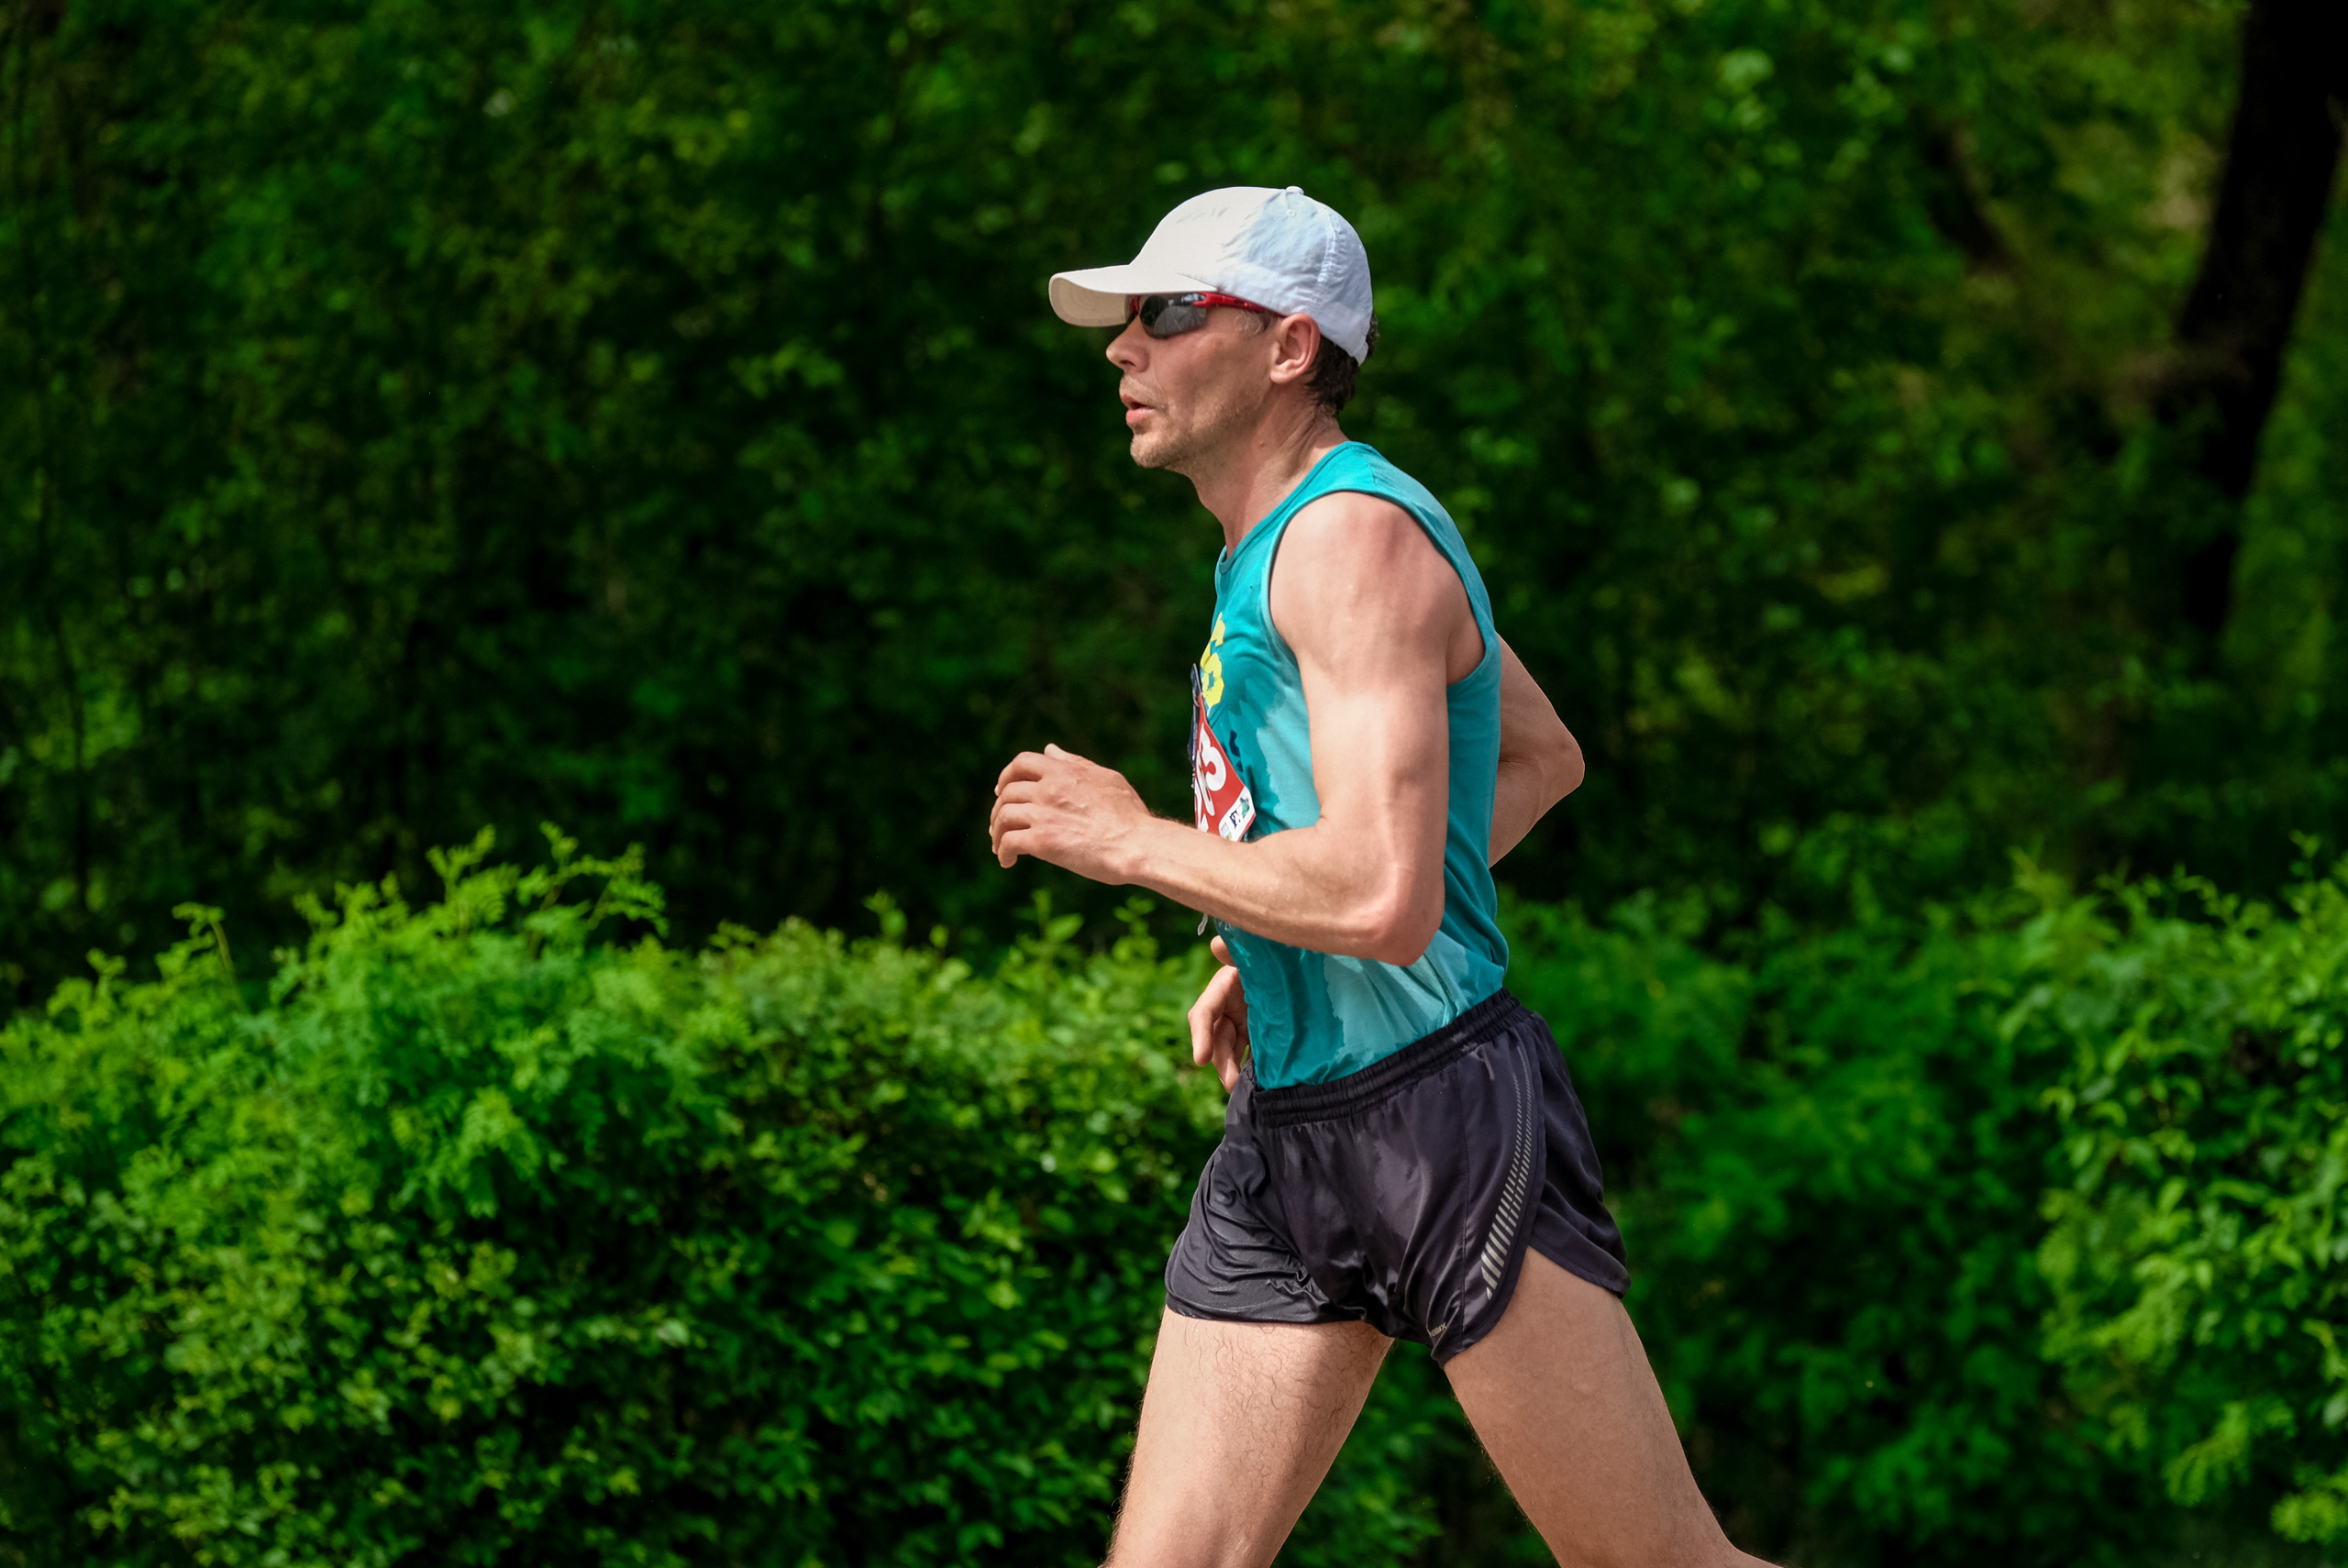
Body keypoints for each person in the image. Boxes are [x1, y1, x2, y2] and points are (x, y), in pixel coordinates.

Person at [989, 187, 1770, 1568]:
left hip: (1442, 1120)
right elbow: (1535, 756)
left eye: (1167, 316)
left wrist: (1133, 844)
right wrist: (1270, 940)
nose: (1124, 350)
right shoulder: (1268, 546)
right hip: (1293, 1131)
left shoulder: (1354, 540)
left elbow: (1389, 895)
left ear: (1290, 347)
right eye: (1128, 322)